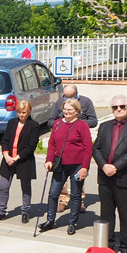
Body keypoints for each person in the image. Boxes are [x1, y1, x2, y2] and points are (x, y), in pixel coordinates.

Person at [92, 95, 127, 253]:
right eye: (115, 107)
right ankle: (108, 245)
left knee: (126, 215)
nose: (118, 109)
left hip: (124, 177)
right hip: (105, 177)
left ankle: (126, 247)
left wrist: (115, 166)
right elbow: (96, 148)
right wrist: (103, 166)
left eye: (122, 106)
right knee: (107, 214)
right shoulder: (105, 126)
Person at [40, 99, 92, 235]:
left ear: (77, 111)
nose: (67, 112)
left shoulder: (82, 125)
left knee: (75, 195)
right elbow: (52, 144)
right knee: (53, 193)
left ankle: (72, 222)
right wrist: (48, 160)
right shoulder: (57, 124)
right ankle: (50, 220)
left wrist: (84, 167)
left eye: (70, 110)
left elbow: (88, 148)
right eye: (65, 109)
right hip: (60, 165)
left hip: (77, 165)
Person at [0, 100, 41, 224]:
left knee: (25, 187)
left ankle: (25, 211)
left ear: (29, 112)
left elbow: (31, 146)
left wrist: (17, 157)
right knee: (4, 186)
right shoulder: (11, 122)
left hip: (23, 159)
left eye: (24, 112)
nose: (21, 115)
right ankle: (1, 211)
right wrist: (6, 155)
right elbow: (5, 140)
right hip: (8, 158)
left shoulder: (33, 125)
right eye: (19, 112)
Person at [50, 84, 97, 213]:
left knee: (77, 177)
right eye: (66, 96)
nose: (67, 98)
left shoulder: (86, 102)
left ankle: (80, 201)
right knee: (61, 180)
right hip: (62, 148)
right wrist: (63, 123)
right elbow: (51, 120)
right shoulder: (60, 102)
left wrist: (77, 124)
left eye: (71, 96)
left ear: (77, 93)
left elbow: (93, 121)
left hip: (78, 146)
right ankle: (63, 200)